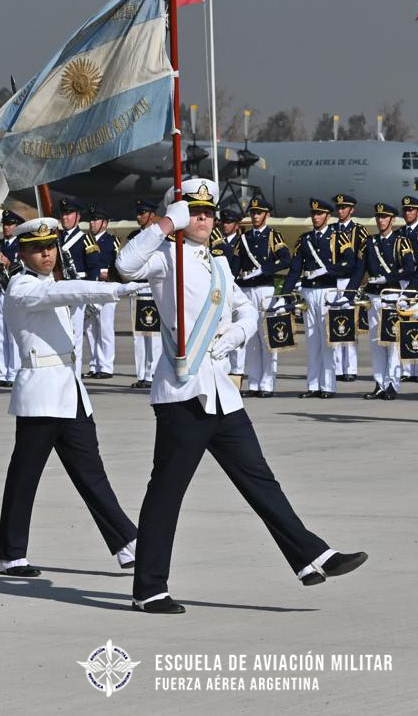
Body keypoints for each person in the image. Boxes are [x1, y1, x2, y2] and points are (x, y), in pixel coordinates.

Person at [115, 178, 367, 614]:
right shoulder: (163, 259)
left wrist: (234, 335)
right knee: (167, 492)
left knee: (260, 480)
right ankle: (148, 588)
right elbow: (124, 265)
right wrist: (162, 224)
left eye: (208, 212)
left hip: (222, 394)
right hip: (183, 394)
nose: (203, 218)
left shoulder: (216, 263)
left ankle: (311, 556)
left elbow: (245, 309)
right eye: (194, 211)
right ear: (178, 214)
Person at [0, 218, 140, 577]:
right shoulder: (21, 287)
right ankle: (11, 554)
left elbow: (67, 299)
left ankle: (126, 543)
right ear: (22, 252)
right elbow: (63, 294)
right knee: (25, 476)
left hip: (71, 391)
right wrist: (115, 290)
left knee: (92, 474)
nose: (47, 253)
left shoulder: (52, 284)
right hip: (42, 394)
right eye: (37, 248)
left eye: (50, 247)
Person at [282, 199, 356, 398]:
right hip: (308, 292)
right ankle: (313, 385)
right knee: (312, 340)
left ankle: (329, 386)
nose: (315, 217)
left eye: (320, 214)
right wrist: (284, 294)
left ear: (328, 216)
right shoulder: (304, 239)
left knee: (327, 340)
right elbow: (295, 269)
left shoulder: (338, 237)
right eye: (313, 214)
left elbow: (350, 264)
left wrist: (327, 270)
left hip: (327, 292)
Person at [348, 203, 415, 399]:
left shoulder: (401, 241)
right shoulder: (370, 242)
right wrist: (348, 294)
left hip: (392, 297)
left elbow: (410, 268)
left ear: (392, 220)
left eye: (384, 217)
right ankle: (379, 383)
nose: (380, 220)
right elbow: (360, 270)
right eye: (378, 217)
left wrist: (388, 277)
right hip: (374, 298)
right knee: (376, 342)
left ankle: (393, 384)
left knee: (392, 342)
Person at [234, 197, 291, 397]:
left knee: (267, 337)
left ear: (267, 214)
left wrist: (264, 270)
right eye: (252, 212)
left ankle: (268, 384)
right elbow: (236, 263)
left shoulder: (272, 236)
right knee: (250, 338)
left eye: (259, 212)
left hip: (265, 289)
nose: (255, 216)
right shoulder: (244, 238)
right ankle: (254, 384)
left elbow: (286, 259)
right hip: (246, 290)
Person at [57, 198, 100, 375]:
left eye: (69, 214)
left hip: (78, 291)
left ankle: (74, 374)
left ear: (77, 217)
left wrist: (89, 293)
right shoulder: (56, 238)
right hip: (59, 291)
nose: (65, 218)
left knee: (75, 336)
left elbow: (93, 268)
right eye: (63, 214)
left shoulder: (86, 239)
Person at [331, 194, 368, 382]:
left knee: (350, 325)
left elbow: (361, 261)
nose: (341, 211)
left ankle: (351, 368)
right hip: (332, 282)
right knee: (334, 324)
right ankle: (337, 368)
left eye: (344, 208)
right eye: (339, 208)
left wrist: (356, 283)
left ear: (351, 210)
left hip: (349, 281)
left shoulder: (359, 231)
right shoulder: (330, 229)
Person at [84, 206, 120, 379]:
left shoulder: (112, 241)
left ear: (104, 223)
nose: (92, 223)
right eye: (91, 220)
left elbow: (118, 264)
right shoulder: (85, 240)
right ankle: (94, 364)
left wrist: (109, 274)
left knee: (105, 327)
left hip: (106, 286)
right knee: (90, 328)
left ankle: (106, 366)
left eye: (96, 220)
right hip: (91, 285)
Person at [129, 200, 161, 389]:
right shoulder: (134, 236)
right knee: (139, 334)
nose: (138, 216)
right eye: (138, 213)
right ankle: (142, 374)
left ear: (151, 214)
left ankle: (154, 372)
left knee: (154, 334)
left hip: (153, 287)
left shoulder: (159, 237)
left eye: (142, 213)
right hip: (137, 288)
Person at [0, 209, 23, 388]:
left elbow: (24, 267)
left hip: (12, 291)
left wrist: (9, 264)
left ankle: (15, 372)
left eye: (10, 224)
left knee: (12, 334)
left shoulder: (21, 245)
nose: (7, 227)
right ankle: (3, 373)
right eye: (5, 224)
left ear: (17, 226)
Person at [399, 196, 418, 382]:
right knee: (405, 325)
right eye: (405, 210)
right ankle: (407, 370)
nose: (408, 213)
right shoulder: (401, 232)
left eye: (411, 209)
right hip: (404, 283)